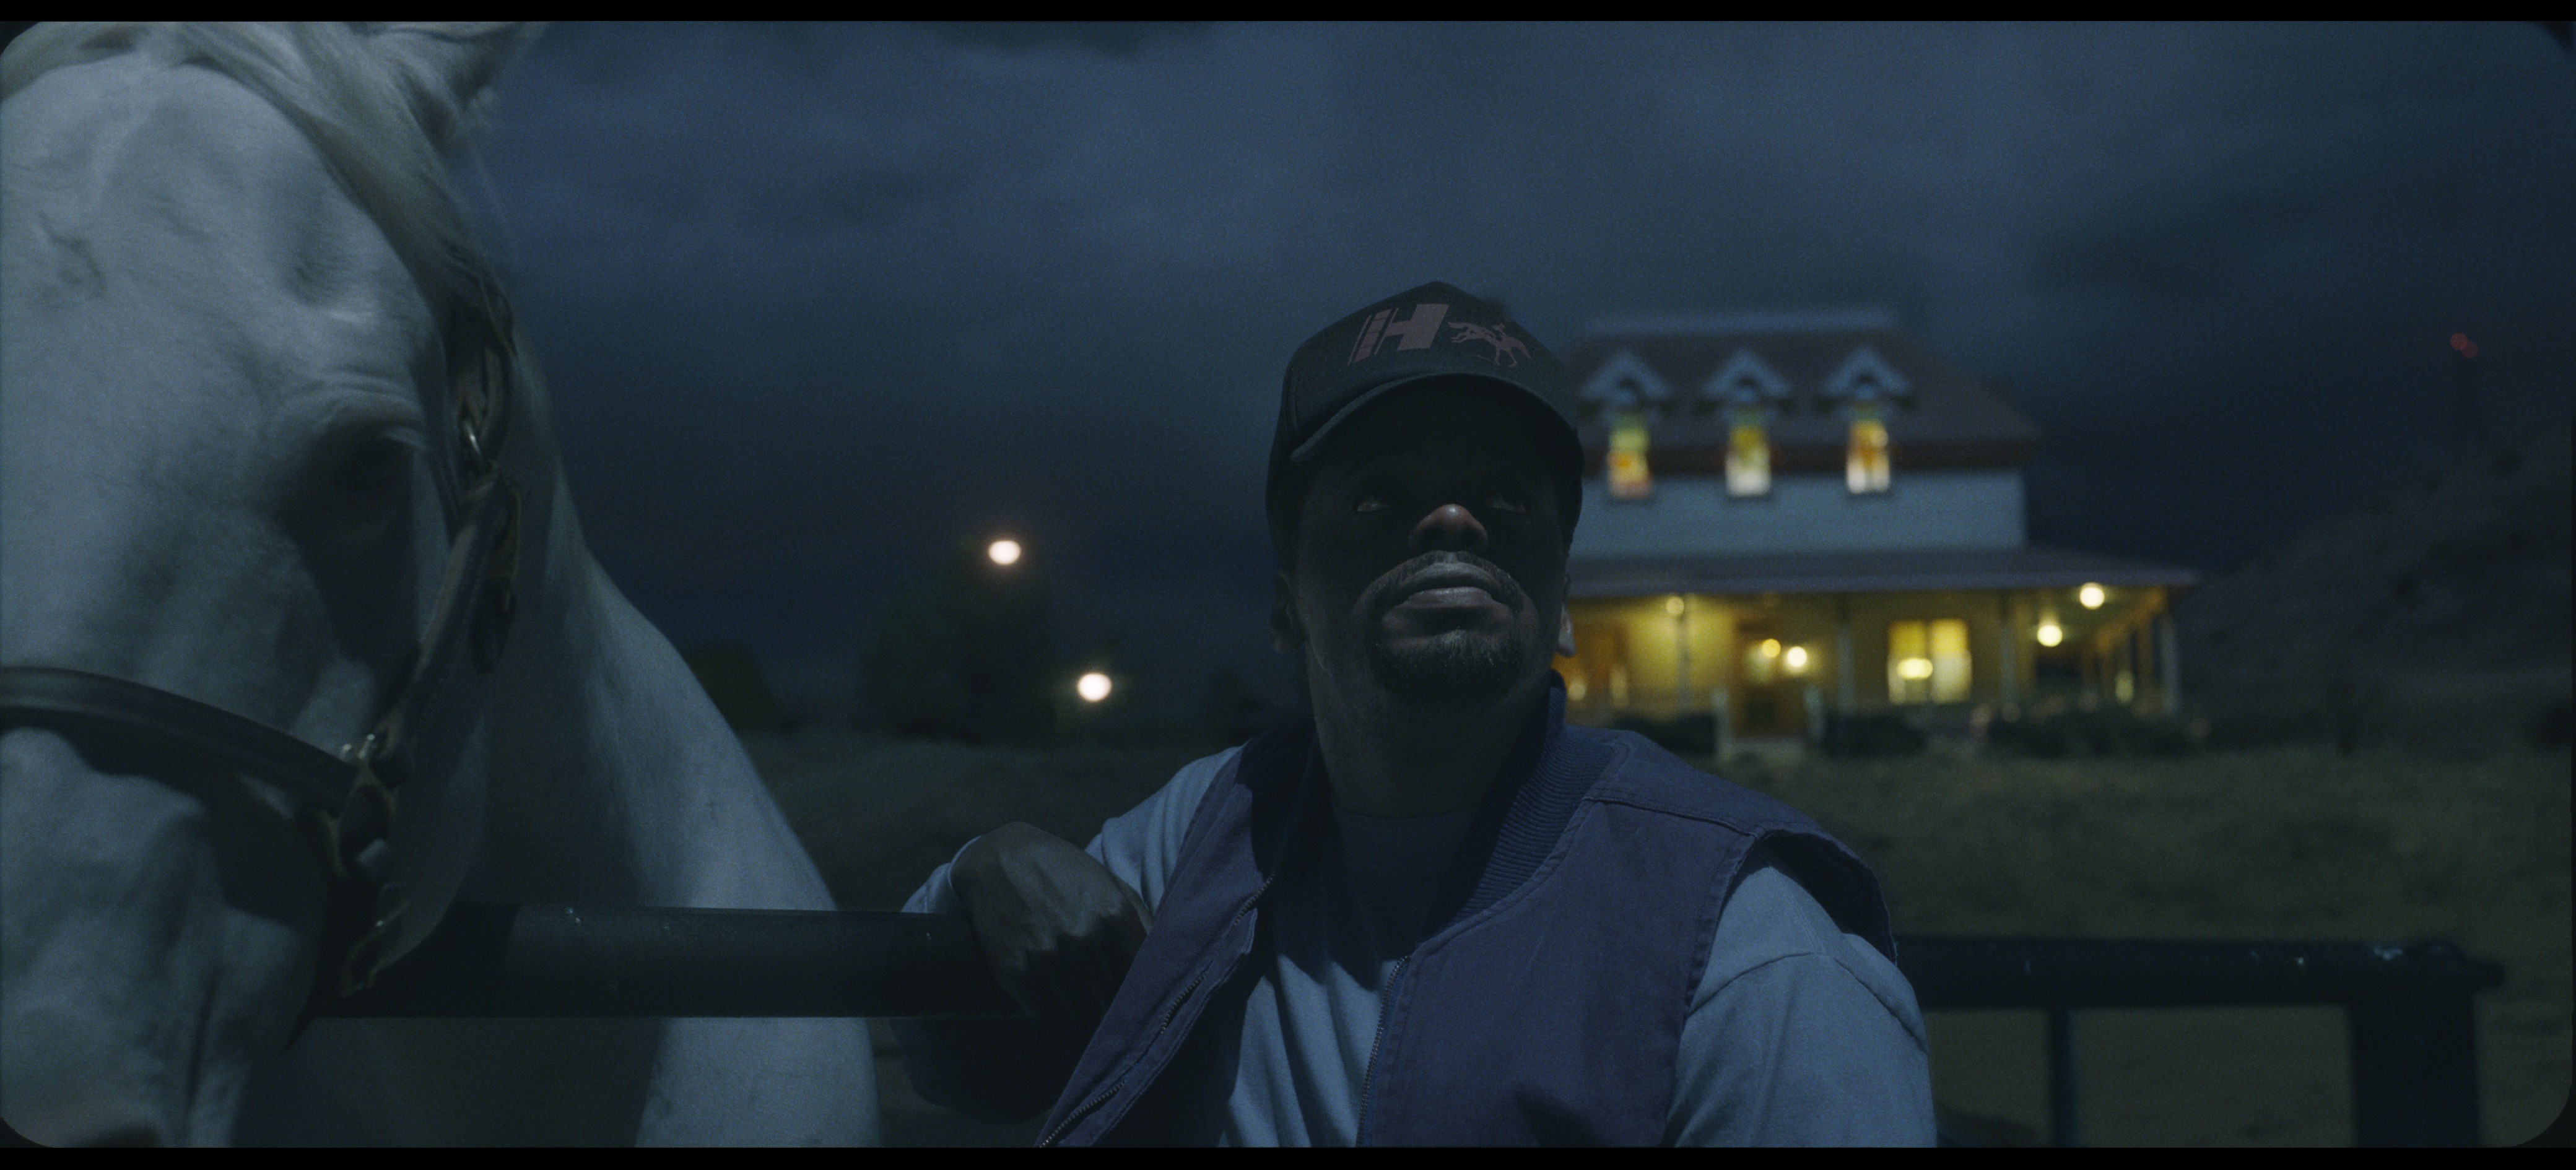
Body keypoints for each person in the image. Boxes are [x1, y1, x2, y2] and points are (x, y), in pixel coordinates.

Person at [893, 282, 1935, 1146]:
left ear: (1563, 597)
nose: (1450, 519)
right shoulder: (1208, 831)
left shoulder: (1753, 953)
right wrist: (983, 870)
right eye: (1377, 499)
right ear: (1285, 600)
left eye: (1507, 499)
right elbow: (969, 1070)